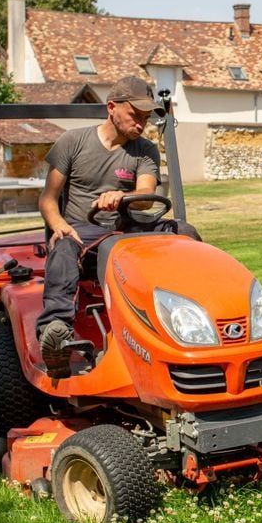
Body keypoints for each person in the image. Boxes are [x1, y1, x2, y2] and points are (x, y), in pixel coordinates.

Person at [36, 75, 196, 376]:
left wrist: (123, 196)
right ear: (112, 107)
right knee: (64, 245)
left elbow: (146, 197)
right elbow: (48, 198)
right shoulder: (73, 142)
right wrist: (58, 225)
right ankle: (55, 333)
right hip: (84, 234)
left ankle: (196, 317)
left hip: (130, 230)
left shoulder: (144, 150)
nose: (141, 123)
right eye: (135, 115)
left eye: (146, 118)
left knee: (184, 233)